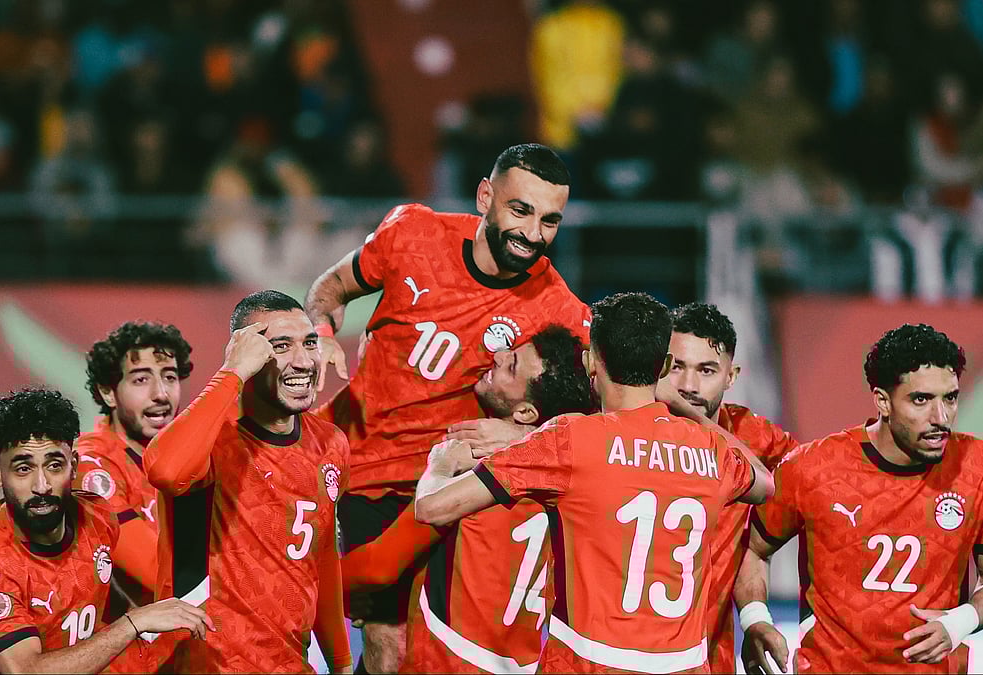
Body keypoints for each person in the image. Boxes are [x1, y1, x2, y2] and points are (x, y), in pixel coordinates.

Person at [305, 142, 590, 672]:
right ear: (486, 197)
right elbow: (329, 288)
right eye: (520, 210)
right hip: (359, 471)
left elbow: (609, 405)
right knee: (388, 649)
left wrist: (521, 437)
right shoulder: (413, 233)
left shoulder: (557, 306)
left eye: (550, 221)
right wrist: (321, 331)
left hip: (445, 488)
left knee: (422, 649)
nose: (533, 234)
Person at [414, 292, 775, 674]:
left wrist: (441, 463)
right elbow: (764, 484)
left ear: (591, 360)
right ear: (665, 366)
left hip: (587, 663)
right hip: (683, 665)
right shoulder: (710, 449)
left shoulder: (570, 440)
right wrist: (686, 412)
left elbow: (433, 508)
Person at [737, 323, 983, 674]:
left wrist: (958, 622)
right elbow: (754, 550)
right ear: (882, 401)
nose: (941, 418)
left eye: (950, 398)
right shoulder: (812, 468)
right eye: (921, 400)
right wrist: (755, 619)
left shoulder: (982, 466)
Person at [341, 324, 595, 673]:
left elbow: (379, 567)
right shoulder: (581, 480)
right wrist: (529, 436)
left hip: (447, 659)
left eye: (511, 366)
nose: (498, 355)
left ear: (525, 412)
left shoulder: (472, 475)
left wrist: (319, 582)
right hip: (522, 662)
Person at [144, 290, 352, 674]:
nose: (304, 361)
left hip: (291, 664)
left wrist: (340, 662)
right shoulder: (213, 440)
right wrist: (232, 373)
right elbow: (165, 471)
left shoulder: (330, 444)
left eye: (309, 343)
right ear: (250, 353)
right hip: (207, 664)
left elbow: (321, 558)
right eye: (282, 346)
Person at [0, 388, 211, 674]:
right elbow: (27, 671)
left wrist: (139, 622)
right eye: (22, 469)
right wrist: (133, 623)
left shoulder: (98, 516)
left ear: (74, 465)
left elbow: (101, 590)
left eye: (54, 465)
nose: (41, 485)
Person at [663, 302, 799, 674]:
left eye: (706, 370)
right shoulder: (623, 433)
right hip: (619, 656)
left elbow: (826, 497)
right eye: (676, 367)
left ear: (731, 376)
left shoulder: (760, 440)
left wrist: (754, 616)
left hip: (709, 659)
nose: (687, 387)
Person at [76, 321, 194, 608]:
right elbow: (157, 574)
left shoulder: (192, 453)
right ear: (108, 393)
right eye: (141, 380)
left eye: (169, 377)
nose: (161, 394)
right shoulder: (90, 465)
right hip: (126, 645)